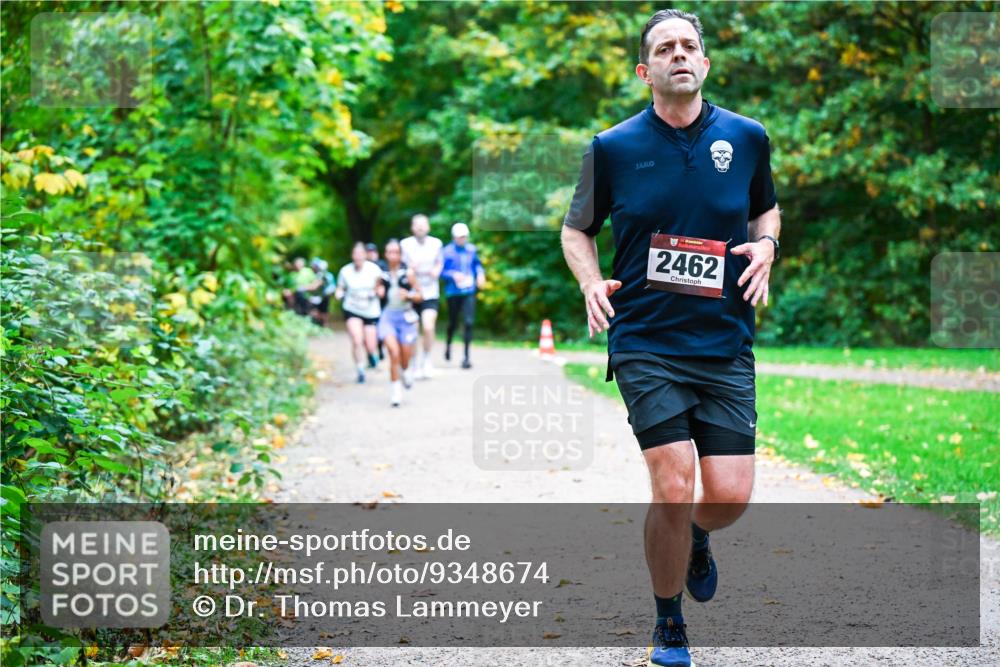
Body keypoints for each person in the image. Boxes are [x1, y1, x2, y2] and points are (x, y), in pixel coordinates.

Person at [560, 9, 780, 667]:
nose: (678, 54)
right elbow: (576, 230)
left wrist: (767, 243)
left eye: (689, 46)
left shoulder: (747, 137)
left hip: (724, 340)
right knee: (674, 482)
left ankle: (697, 539)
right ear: (644, 69)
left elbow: (765, 204)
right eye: (664, 48)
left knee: (729, 497)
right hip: (645, 340)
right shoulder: (612, 146)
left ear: (704, 63)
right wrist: (592, 283)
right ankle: (668, 623)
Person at [376, 239, 421, 406]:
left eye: (396, 252)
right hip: (388, 317)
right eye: (390, 252)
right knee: (393, 353)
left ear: (401, 254)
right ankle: (395, 392)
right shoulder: (382, 273)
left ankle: (406, 370)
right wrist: (378, 291)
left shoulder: (408, 273)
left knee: (404, 355)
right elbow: (377, 289)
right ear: (385, 254)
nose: (393, 255)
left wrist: (409, 295)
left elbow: (420, 295)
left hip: (405, 317)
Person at [400, 214, 444, 379]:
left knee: (428, 326)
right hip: (412, 294)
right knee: (412, 330)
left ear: (428, 227)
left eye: (423, 225)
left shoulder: (436, 243)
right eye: (417, 225)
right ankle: (415, 362)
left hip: (430, 292)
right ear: (412, 228)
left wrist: (436, 271)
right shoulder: (405, 245)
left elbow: (440, 262)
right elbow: (401, 267)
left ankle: (427, 359)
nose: (420, 227)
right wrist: (410, 269)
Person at [335, 243, 383, 383]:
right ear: (352, 255)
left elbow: (380, 288)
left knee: (371, 344)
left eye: (361, 253)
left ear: (365, 255)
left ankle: (371, 354)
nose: (358, 257)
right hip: (352, 308)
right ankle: (360, 369)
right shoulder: (345, 271)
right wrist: (339, 294)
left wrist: (377, 293)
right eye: (355, 254)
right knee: (356, 339)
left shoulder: (374, 269)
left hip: (370, 310)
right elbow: (340, 288)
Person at [441, 222, 484, 369]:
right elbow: (441, 272)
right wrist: (453, 275)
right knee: (453, 323)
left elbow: (477, 265)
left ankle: (466, 357)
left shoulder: (471, 250)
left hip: (469, 291)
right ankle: (448, 344)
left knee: (469, 322)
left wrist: (480, 274)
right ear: (454, 237)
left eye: (464, 237)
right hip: (453, 292)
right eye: (459, 237)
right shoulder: (446, 251)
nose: (462, 239)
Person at [307, 258, 336, 327]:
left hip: (323, 295)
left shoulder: (322, 275)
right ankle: (323, 324)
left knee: (322, 310)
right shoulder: (327, 275)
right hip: (324, 295)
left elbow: (316, 286)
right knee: (323, 310)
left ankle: (323, 324)